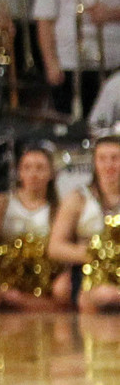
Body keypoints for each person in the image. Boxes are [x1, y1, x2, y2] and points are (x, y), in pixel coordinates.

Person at [0, 143, 68, 312]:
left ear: (51, 174)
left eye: (40, 168)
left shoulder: (58, 208)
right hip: (8, 280)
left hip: (44, 282)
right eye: (27, 168)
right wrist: (11, 261)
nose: (33, 174)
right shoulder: (3, 202)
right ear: (19, 173)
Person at [49, 133, 120, 316]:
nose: (109, 165)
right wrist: (101, 255)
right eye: (102, 159)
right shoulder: (78, 198)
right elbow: (55, 247)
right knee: (105, 296)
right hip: (89, 272)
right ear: (94, 163)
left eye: (115, 158)